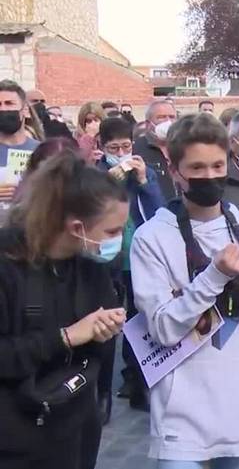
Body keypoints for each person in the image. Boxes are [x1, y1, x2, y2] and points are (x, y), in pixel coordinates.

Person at [130, 114, 239, 468]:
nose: (208, 176)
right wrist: (214, 275)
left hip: (238, 409)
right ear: (175, 171)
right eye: (196, 168)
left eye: (217, 165)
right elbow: (165, 329)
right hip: (180, 417)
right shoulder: (152, 238)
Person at [0, 154, 129, 469]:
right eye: (112, 232)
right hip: (15, 437)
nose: (119, 241)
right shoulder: (8, 265)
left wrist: (106, 328)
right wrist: (66, 337)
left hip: (74, 426)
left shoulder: (90, 264)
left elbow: (98, 344)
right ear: (76, 227)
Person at [96, 117, 165, 413]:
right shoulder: (96, 173)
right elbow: (90, 208)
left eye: (126, 146)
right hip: (108, 257)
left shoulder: (143, 172)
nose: (121, 152)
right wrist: (107, 182)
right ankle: (103, 390)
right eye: (114, 147)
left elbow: (159, 209)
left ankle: (139, 382)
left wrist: (144, 181)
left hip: (138, 256)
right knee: (107, 321)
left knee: (140, 322)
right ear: (102, 147)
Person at [0, 80, 41, 212]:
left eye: (9, 103)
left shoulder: (42, 151)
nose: (3, 109)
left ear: (24, 110)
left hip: (31, 228)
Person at [133, 100, 179, 201]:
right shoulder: (136, 149)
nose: (168, 122)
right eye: (161, 117)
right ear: (148, 124)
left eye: (172, 117)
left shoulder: (184, 147)